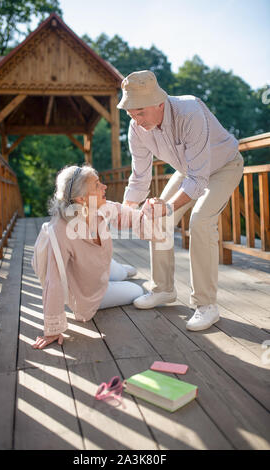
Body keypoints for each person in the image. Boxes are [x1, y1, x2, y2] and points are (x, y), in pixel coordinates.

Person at [117, 70, 244, 331]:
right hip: (189, 171)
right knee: (158, 222)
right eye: (131, 114)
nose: (137, 120)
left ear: (159, 103)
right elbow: (140, 175)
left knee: (199, 221)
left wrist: (166, 206)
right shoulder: (136, 128)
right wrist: (127, 209)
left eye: (140, 112)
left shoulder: (190, 111)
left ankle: (206, 305)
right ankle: (163, 289)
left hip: (223, 167)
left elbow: (199, 180)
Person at [32, 164, 168, 349]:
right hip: (86, 288)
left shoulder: (100, 207)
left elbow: (134, 218)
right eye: (97, 185)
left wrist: (152, 210)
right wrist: (52, 329)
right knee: (136, 291)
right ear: (81, 198)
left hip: (99, 264)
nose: (104, 187)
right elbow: (53, 280)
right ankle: (116, 275)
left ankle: (118, 272)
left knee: (122, 272)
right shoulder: (60, 230)